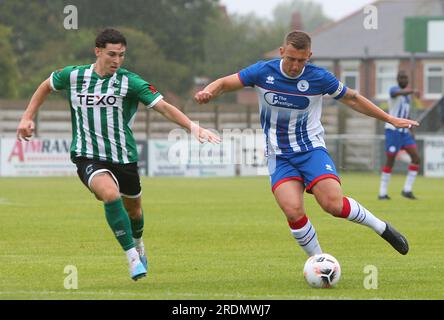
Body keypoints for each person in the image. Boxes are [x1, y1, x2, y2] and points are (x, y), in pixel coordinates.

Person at [16, 28, 219, 281]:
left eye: (122, 55)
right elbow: (46, 85)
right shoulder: (74, 75)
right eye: (112, 54)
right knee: (110, 195)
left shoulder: (130, 82)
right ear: (97, 51)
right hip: (87, 155)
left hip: (123, 156)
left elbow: (164, 107)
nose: (117, 60)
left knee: (134, 211)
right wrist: (27, 117)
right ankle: (132, 258)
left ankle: (139, 243)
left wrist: (193, 126)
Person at [194, 30, 418, 258]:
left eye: (301, 60)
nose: (294, 65)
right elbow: (224, 83)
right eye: (290, 58)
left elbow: (352, 98)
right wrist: (207, 92)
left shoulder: (318, 77)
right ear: (282, 52)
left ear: (309, 56)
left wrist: (389, 119)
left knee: (333, 205)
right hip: (279, 156)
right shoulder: (263, 71)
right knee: (293, 210)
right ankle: (319, 261)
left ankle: (382, 227)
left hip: (311, 151)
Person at [378, 71, 420, 200]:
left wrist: (411, 131)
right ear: (397, 79)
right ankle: (382, 193)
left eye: (406, 78)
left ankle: (407, 190)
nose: (404, 80)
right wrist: (412, 91)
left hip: (404, 132)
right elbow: (397, 93)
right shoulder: (394, 91)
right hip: (393, 131)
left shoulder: (407, 97)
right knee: (390, 160)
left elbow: (405, 115)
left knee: (416, 158)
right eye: (402, 78)